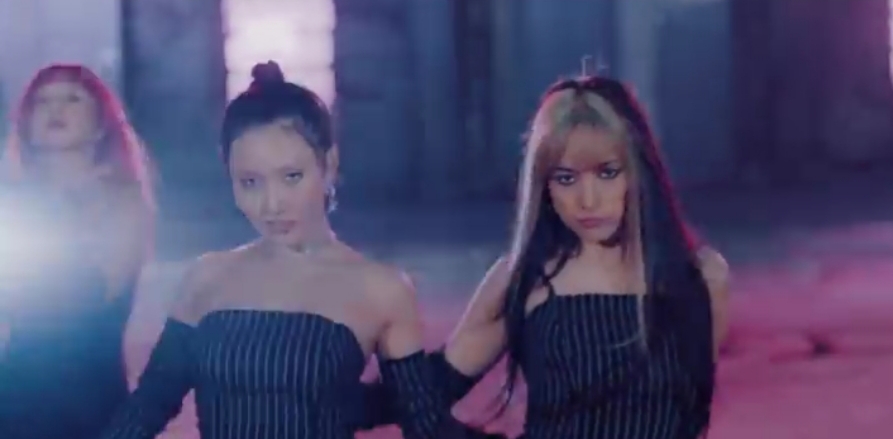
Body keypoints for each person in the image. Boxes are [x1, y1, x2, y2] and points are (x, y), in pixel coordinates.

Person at [97, 62, 467, 439]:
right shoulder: (205, 277)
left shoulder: (382, 289)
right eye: (250, 182)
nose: (271, 204)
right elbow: (147, 408)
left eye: (291, 177)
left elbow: (426, 426)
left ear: (329, 165)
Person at [368, 75, 729, 438]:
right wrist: (341, 398)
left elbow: (692, 415)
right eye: (566, 178)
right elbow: (427, 394)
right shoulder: (523, 278)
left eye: (608, 173)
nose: (588, 200)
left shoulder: (702, 276)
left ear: (640, 171)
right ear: (544, 187)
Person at [0, 64, 155, 439]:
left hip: (90, 397)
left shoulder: (122, 200)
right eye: (42, 101)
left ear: (102, 124)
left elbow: (96, 295)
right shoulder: (13, 204)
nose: (55, 110)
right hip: (16, 397)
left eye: (72, 99)